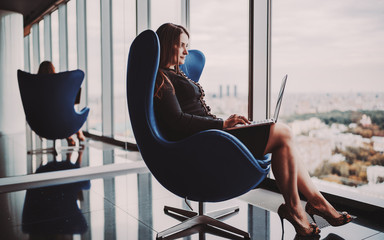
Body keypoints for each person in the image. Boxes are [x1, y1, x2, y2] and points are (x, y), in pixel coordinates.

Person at [153, 23, 352, 237]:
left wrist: (223, 123)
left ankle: (310, 203)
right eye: (181, 45)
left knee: (284, 140)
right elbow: (177, 121)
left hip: (212, 136)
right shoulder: (162, 79)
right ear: (167, 45)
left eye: (187, 45)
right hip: (205, 143)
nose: (186, 51)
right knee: (282, 133)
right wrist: (221, 125)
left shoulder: (175, 75)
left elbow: (191, 116)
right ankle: (303, 206)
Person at [37, 61, 86, 146]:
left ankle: (70, 137)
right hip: (59, 121)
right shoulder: (58, 84)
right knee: (65, 113)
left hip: (41, 123)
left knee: (57, 113)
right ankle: (78, 134)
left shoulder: (35, 85)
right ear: (53, 70)